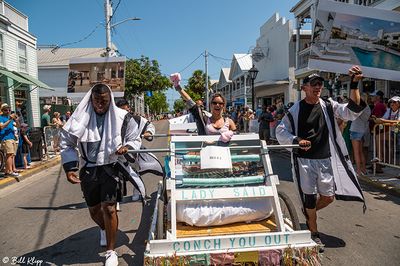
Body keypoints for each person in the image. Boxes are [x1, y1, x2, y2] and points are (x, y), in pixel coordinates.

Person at [276, 66, 366, 252]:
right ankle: (314, 232)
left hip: (325, 159)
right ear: (304, 88)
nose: (318, 87)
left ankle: (310, 214)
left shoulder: (328, 105)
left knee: (328, 197)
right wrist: (297, 140)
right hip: (304, 161)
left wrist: (355, 83)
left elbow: (352, 110)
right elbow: (280, 130)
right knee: (308, 197)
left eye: (320, 84)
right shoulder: (295, 110)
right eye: (314, 84)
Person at [60, 83, 141, 266]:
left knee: (110, 208)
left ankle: (110, 252)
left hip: (111, 167)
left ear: (110, 100)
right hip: (89, 169)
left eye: (104, 101)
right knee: (94, 210)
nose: (100, 105)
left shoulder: (122, 117)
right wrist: (70, 168)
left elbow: (134, 137)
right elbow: (67, 142)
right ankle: (105, 227)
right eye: (96, 101)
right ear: (91, 100)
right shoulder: (80, 117)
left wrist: (127, 147)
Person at [170, 73, 236, 141]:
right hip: (207, 150)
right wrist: (177, 86)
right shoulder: (205, 119)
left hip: (224, 151)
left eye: (220, 103)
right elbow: (191, 102)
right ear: (211, 105)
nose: (217, 105)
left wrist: (230, 136)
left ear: (223, 105)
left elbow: (237, 142)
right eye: (214, 103)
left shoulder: (229, 122)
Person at [116, 99, 156, 203]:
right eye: (120, 110)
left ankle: (136, 191)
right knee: (116, 175)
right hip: (116, 152)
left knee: (134, 171)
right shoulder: (112, 120)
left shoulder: (137, 119)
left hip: (131, 151)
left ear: (128, 108)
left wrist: (148, 132)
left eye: (125, 109)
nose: (123, 113)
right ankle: (116, 199)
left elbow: (149, 125)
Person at [372, 95, 400, 167]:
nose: (392, 104)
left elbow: (397, 121)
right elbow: (383, 119)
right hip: (392, 132)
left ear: (398, 103)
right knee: (378, 137)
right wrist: (377, 120)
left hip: (398, 133)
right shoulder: (389, 110)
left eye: (394, 102)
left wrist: (383, 121)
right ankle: (380, 157)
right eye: (391, 102)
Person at [350, 95, 371, 176]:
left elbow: (350, 115)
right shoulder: (367, 108)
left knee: (356, 152)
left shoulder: (360, 108)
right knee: (360, 151)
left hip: (355, 129)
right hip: (362, 130)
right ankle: (363, 170)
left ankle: (358, 170)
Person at [0, 104, 20, 177]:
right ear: (2, 110)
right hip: (6, 138)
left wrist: (17, 120)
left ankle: (6, 171)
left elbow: (18, 126)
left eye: (9, 109)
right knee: (9, 155)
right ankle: (10, 171)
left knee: (11, 155)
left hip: (12, 138)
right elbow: (1, 126)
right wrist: (10, 119)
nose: (8, 111)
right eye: (5, 110)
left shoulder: (9, 118)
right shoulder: (1, 118)